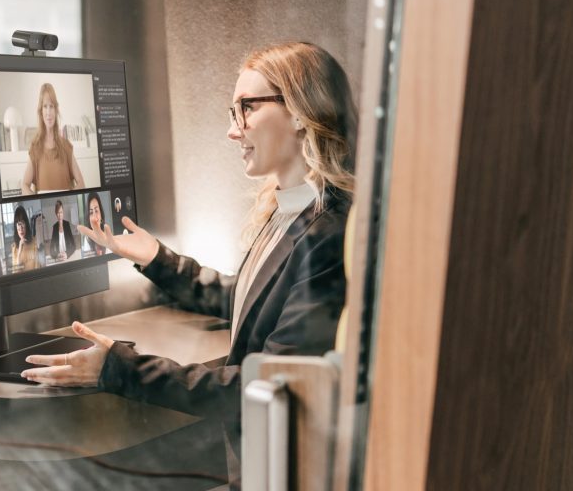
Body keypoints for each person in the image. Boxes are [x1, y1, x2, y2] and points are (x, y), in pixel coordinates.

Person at [22, 42, 354, 484]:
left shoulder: (327, 235)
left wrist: (119, 367)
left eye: (246, 109)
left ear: (299, 111)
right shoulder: (293, 210)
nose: (233, 131)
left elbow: (260, 389)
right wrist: (159, 260)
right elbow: (248, 300)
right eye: (232, 113)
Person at [21, 83, 87, 194]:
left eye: (51, 106)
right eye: (45, 106)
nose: (48, 112)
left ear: (56, 110)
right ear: (40, 112)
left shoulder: (66, 146)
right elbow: (24, 185)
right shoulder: (35, 148)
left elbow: (81, 183)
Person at [10, 205, 40, 273]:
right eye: (18, 224)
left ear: (26, 224)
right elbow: (15, 274)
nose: (21, 229)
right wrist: (19, 253)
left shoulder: (34, 241)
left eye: (23, 223)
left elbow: (37, 267)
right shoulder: (14, 248)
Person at [84, 192, 107, 256]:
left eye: (96, 211)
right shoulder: (87, 239)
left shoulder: (107, 233)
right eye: (91, 212)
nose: (94, 217)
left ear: (101, 214)